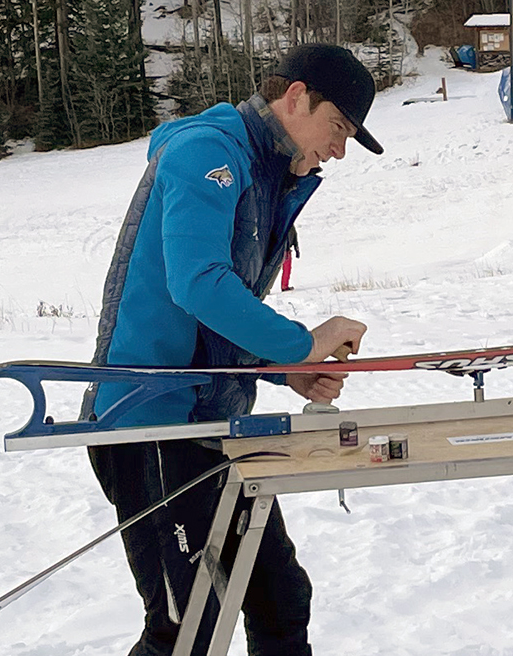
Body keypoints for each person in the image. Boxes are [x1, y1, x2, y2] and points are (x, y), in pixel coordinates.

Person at [86, 43, 381, 656]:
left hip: (219, 424)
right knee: (186, 628)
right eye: (337, 129)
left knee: (280, 599)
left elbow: (214, 327)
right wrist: (303, 345)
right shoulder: (207, 152)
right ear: (296, 98)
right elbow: (196, 282)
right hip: (150, 426)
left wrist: (284, 373)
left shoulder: (266, 175)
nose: (338, 150)